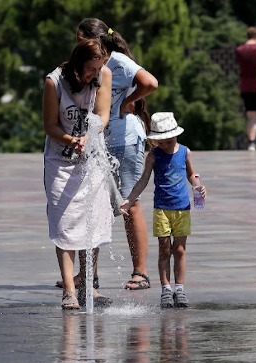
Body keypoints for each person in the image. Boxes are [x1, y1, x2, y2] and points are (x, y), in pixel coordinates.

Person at [68, 18, 158, 292]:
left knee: (130, 204)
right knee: (94, 205)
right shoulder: (86, 65)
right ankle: (88, 274)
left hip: (126, 139)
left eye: (80, 39)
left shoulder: (117, 60)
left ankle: (140, 273)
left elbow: (150, 82)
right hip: (100, 140)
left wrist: (129, 102)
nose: (77, 44)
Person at [42, 38, 114, 310]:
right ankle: (69, 291)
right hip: (60, 162)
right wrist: (71, 140)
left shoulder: (103, 75)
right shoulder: (54, 82)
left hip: (92, 158)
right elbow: (49, 125)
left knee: (93, 222)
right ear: (77, 65)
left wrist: (89, 134)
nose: (95, 75)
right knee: (65, 224)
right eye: (91, 69)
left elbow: (103, 115)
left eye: (99, 69)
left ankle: (88, 285)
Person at [120, 112, 207, 309]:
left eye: (170, 141)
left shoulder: (185, 152)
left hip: (182, 208)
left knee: (180, 250)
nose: (166, 145)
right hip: (162, 209)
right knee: (164, 249)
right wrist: (129, 199)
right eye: (162, 142)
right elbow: (143, 180)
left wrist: (198, 185)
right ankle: (166, 289)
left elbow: (191, 174)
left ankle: (180, 289)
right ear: (156, 141)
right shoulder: (153, 156)